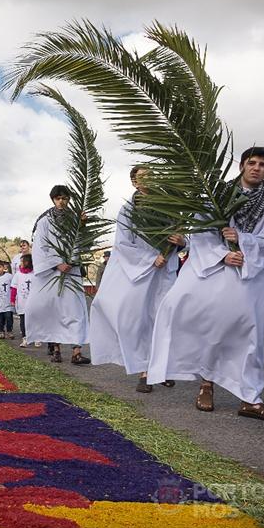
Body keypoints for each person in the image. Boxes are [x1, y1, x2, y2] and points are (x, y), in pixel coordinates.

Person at [147, 147, 264, 419]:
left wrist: (243, 242)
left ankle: (250, 398)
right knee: (208, 325)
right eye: (252, 162)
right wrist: (223, 254)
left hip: (248, 273)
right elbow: (199, 231)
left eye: (263, 164)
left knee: (249, 335)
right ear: (242, 166)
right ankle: (206, 384)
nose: (257, 168)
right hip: (216, 270)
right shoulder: (216, 195)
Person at [89, 166, 184, 392]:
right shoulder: (128, 210)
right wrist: (152, 259)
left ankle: (162, 368)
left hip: (165, 272)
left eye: (151, 176)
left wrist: (182, 241)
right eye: (142, 177)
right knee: (140, 320)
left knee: (163, 318)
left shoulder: (167, 207)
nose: (147, 180)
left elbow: (183, 235)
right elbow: (122, 244)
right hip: (141, 272)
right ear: (134, 182)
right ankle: (144, 370)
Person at [25, 185, 89, 364]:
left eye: (65, 198)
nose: (62, 201)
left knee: (75, 310)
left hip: (72, 270)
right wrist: (56, 264)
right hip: (52, 273)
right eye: (58, 198)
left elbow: (82, 242)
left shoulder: (75, 220)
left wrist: (82, 226)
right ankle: (56, 349)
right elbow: (40, 248)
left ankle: (77, 351)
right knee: (53, 311)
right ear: (53, 199)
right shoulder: (45, 222)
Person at [11, 253, 33, 347]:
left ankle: (35, 337)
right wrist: (12, 299)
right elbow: (14, 288)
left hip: (33, 302)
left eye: (21, 261)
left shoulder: (35, 274)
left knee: (33, 320)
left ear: (27, 262)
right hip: (22, 302)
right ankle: (25, 338)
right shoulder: (18, 275)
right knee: (23, 320)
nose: (20, 263)